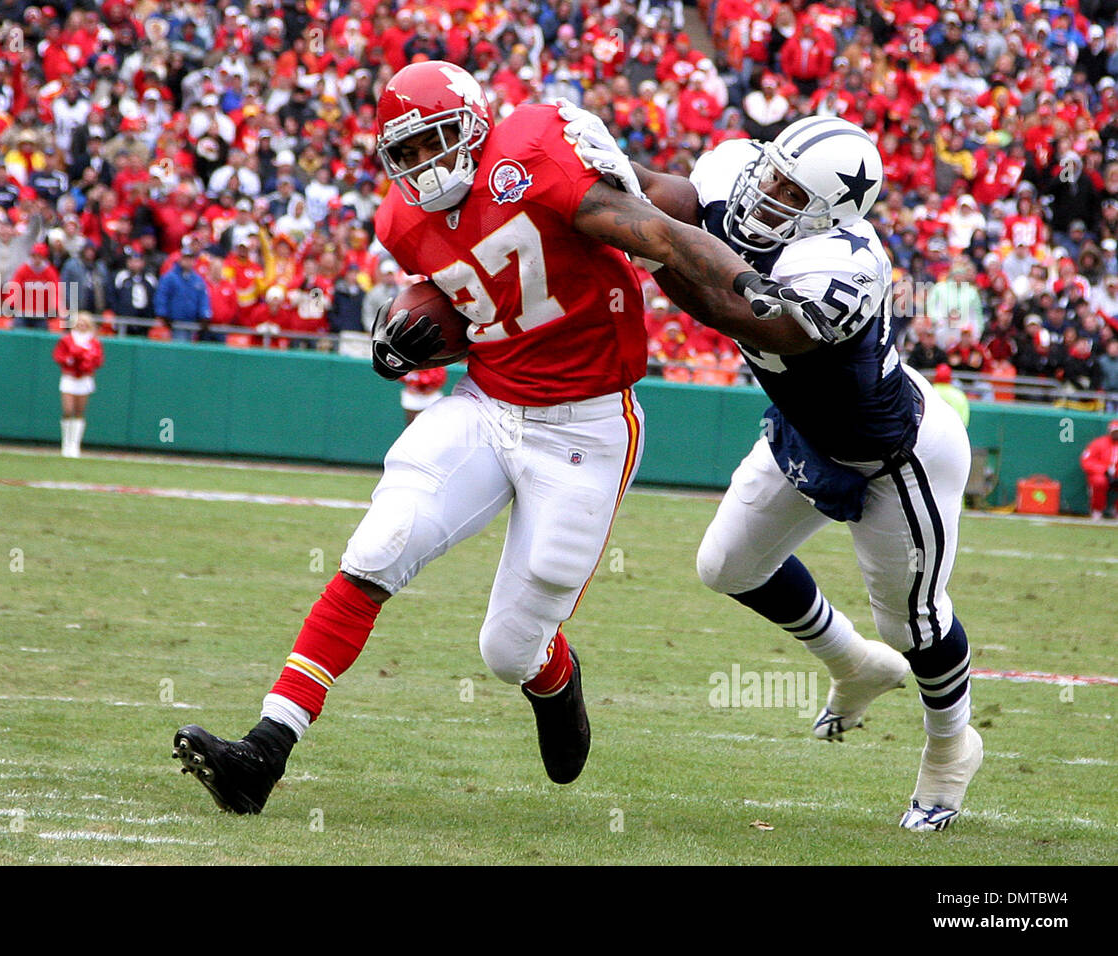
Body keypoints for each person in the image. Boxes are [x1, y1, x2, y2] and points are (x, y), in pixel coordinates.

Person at [172, 60, 798, 816]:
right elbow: (472, 303)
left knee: (506, 651)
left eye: (432, 140)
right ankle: (264, 751)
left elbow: (661, 236)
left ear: (473, 125)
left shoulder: (532, 152)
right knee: (380, 544)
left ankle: (553, 676)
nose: (421, 165)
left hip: (587, 422)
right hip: (488, 401)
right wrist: (418, 332)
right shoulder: (400, 223)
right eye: (402, 153)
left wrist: (755, 296)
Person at [566, 110, 983, 831]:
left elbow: (743, 314)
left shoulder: (846, 263)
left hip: (896, 455)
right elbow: (680, 200)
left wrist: (653, 247)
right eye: (771, 176)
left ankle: (951, 748)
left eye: (791, 195)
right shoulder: (739, 171)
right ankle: (854, 663)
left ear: (831, 213)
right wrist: (615, 179)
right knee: (726, 563)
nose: (764, 197)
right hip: (806, 430)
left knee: (911, 622)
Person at [52, 312, 104, 459]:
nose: (81, 324)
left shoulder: (94, 342)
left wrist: (87, 361)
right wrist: (70, 359)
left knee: (79, 412)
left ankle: (75, 445)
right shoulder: (67, 340)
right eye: (79, 321)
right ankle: (66, 443)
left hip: (84, 379)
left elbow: (98, 361)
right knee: (68, 410)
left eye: (84, 322)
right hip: (69, 378)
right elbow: (59, 356)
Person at [1080, 420, 1118, 520]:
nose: (1116, 434)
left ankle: (1116, 510)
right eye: (1114, 431)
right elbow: (1087, 461)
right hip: (1102, 475)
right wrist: (1104, 470)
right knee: (1099, 481)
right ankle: (1097, 510)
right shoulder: (1098, 443)